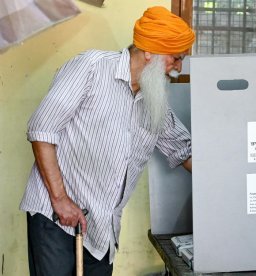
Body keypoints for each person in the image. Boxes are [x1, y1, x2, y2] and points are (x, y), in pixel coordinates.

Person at [20, 6, 194, 276]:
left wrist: (242, 177)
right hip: (56, 218)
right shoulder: (91, 67)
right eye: (176, 59)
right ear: (150, 52)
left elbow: (185, 151)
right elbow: (42, 130)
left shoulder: (155, 100)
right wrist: (61, 200)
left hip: (102, 231)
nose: (178, 68)